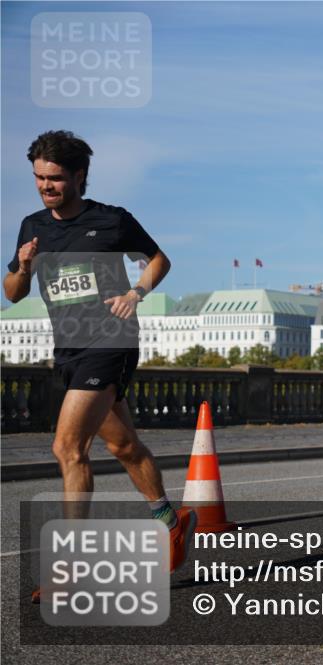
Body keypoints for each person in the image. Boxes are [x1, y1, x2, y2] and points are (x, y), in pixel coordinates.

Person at [4, 131, 196, 603]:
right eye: (38, 178)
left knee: (68, 447)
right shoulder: (33, 226)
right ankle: (171, 522)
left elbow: (158, 259)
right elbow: (12, 293)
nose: (45, 186)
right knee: (125, 446)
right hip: (67, 349)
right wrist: (25, 266)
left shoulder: (111, 221)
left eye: (55, 178)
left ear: (79, 177)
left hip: (111, 342)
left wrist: (136, 294)